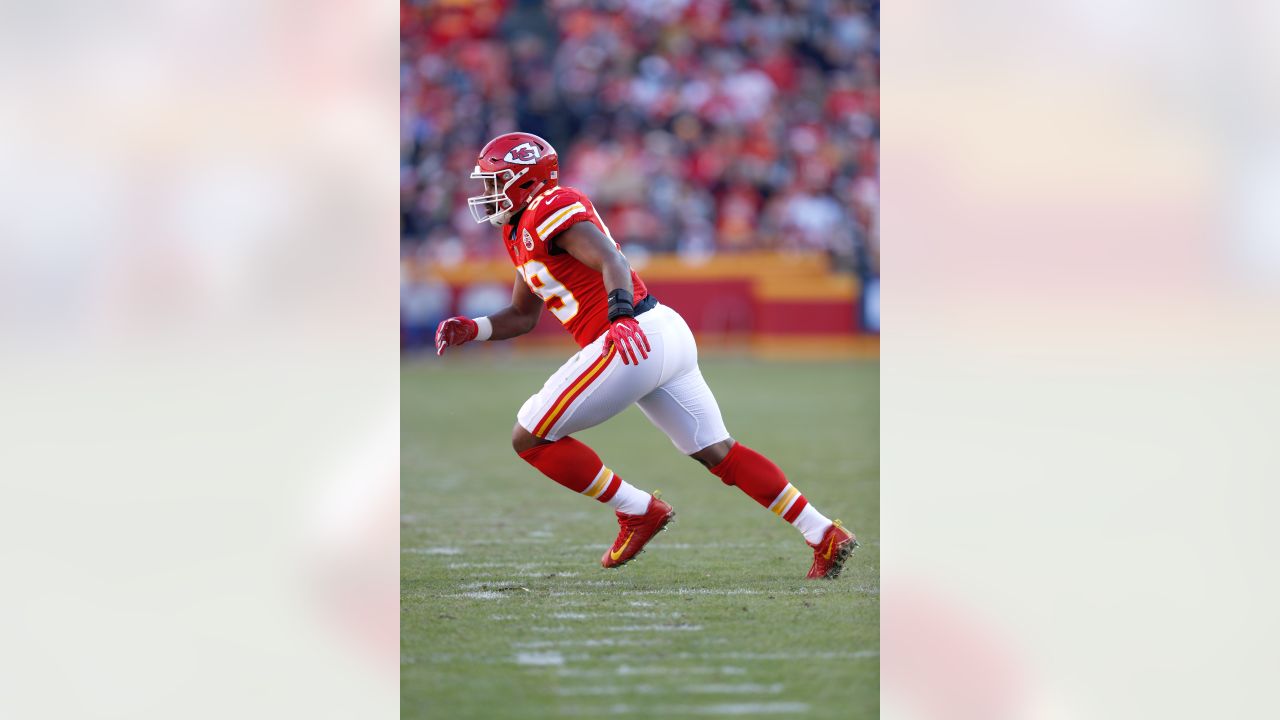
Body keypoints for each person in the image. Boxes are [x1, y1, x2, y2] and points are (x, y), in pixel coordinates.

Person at [435, 132, 858, 578]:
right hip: (661, 332)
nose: (487, 193)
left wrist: (619, 317)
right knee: (718, 452)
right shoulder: (519, 228)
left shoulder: (549, 206)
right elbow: (523, 315)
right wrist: (475, 329)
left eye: (495, 181)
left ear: (526, 180)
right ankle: (823, 533)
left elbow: (611, 262)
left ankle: (638, 510)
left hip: (629, 336)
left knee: (530, 436)